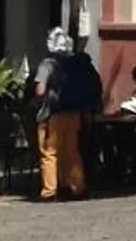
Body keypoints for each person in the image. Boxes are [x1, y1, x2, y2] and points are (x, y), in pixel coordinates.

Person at [33, 29, 102, 201]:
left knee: (49, 152)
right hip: (74, 113)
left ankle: (50, 191)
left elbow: (40, 90)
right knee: (71, 151)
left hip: (53, 114)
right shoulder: (76, 63)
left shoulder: (47, 64)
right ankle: (77, 187)